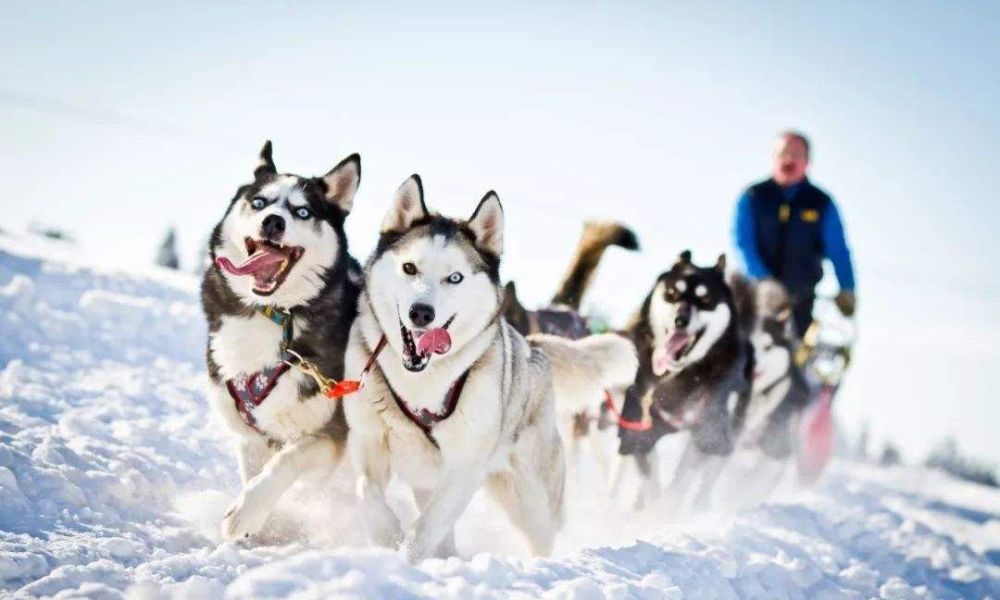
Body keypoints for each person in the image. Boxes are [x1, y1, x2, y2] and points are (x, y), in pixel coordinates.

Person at [733, 131, 856, 335]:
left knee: (791, 356)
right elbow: (743, 243)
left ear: (807, 161)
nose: (789, 159)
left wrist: (847, 288)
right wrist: (764, 281)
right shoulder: (753, 197)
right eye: (783, 153)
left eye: (796, 154)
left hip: (800, 302)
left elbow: (838, 250)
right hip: (754, 299)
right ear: (773, 158)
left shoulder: (822, 203)